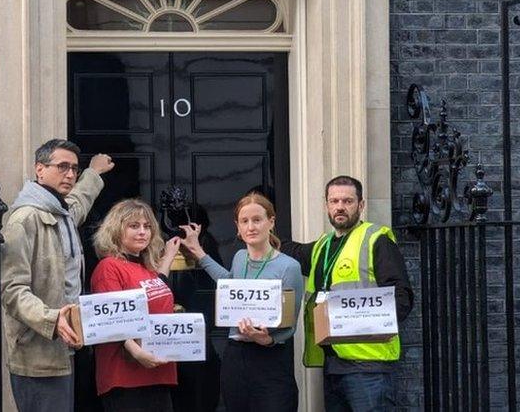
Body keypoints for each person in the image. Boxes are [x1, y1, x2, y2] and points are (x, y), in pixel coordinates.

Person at [279, 175, 414, 412]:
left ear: (360, 205)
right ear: (326, 206)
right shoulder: (324, 245)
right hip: (333, 365)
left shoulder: (376, 240)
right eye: (334, 201)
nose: (340, 207)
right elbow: (295, 251)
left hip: (369, 367)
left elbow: (402, 300)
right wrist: (262, 230)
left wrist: (359, 322)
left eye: (347, 201)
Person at [0, 139, 115, 412]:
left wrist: (93, 172)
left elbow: (79, 201)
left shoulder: (60, 212)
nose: (70, 174)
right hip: (40, 355)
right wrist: (52, 320)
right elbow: (12, 290)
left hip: (72, 348)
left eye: (74, 169)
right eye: (62, 166)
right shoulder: (23, 220)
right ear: (39, 169)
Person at [180, 192, 303, 412]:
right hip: (236, 356)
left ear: (271, 222)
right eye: (244, 221)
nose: (251, 227)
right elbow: (229, 284)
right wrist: (197, 251)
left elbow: (290, 326)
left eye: (257, 220)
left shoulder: (289, 266)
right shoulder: (239, 257)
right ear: (237, 226)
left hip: (270, 359)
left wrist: (266, 339)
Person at [89, 199, 182, 411]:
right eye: (134, 226)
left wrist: (168, 257)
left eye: (147, 226)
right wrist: (137, 353)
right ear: (116, 230)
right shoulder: (109, 267)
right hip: (125, 377)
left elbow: (156, 289)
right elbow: (110, 320)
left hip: (159, 373)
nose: (142, 232)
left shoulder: (147, 269)